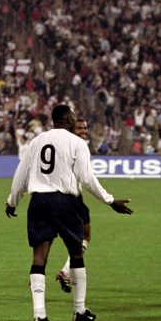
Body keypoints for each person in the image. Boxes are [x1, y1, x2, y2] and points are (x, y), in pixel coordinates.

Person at [6, 104, 133, 321]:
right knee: (76, 252)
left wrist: (12, 201)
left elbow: (21, 175)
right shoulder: (77, 143)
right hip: (64, 201)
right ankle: (79, 310)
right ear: (69, 118)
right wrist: (110, 200)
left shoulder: (36, 141)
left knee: (39, 257)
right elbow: (86, 177)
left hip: (38, 200)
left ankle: (39, 315)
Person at [55, 117, 92, 294]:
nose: (84, 131)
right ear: (71, 129)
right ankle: (65, 272)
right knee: (79, 240)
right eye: (80, 128)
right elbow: (86, 178)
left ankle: (40, 277)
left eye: (85, 128)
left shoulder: (71, 145)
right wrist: (108, 199)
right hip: (70, 200)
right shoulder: (75, 146)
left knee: (85, 236)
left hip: (70, 198)